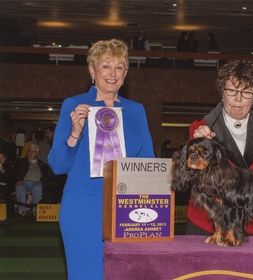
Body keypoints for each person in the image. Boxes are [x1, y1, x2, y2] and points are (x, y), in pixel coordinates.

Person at [48, 39, 154, 280]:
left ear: (126, 73)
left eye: (119, 67)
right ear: (92, 71)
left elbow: (148, 162)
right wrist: (75, 133)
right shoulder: (73, 105)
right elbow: (57, 165)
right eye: (105, 66)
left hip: (129, 208)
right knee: (87, 274)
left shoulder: (137, 110)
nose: (112, 73)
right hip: (83, 206)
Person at [186, 60, 253, 236]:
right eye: (232, 91)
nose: (238, 99)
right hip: (208, 226)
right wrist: (200, 143)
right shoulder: (200, 128)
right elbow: (190, 177)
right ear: (222, 93)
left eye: (246, 93)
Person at [14, 143, 49, 216]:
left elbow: (46, 177)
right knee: (19, 187)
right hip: (24, 182)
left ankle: (36, 210)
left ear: (37, 152)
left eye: (33, 151)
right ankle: (22, 210)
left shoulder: (42, 164)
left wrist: (44, 182)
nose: (31, 152)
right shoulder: (21, 162)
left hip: (37, 182)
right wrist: (18, 180)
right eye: (29, 151)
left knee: (38, 187)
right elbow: (15, 173)